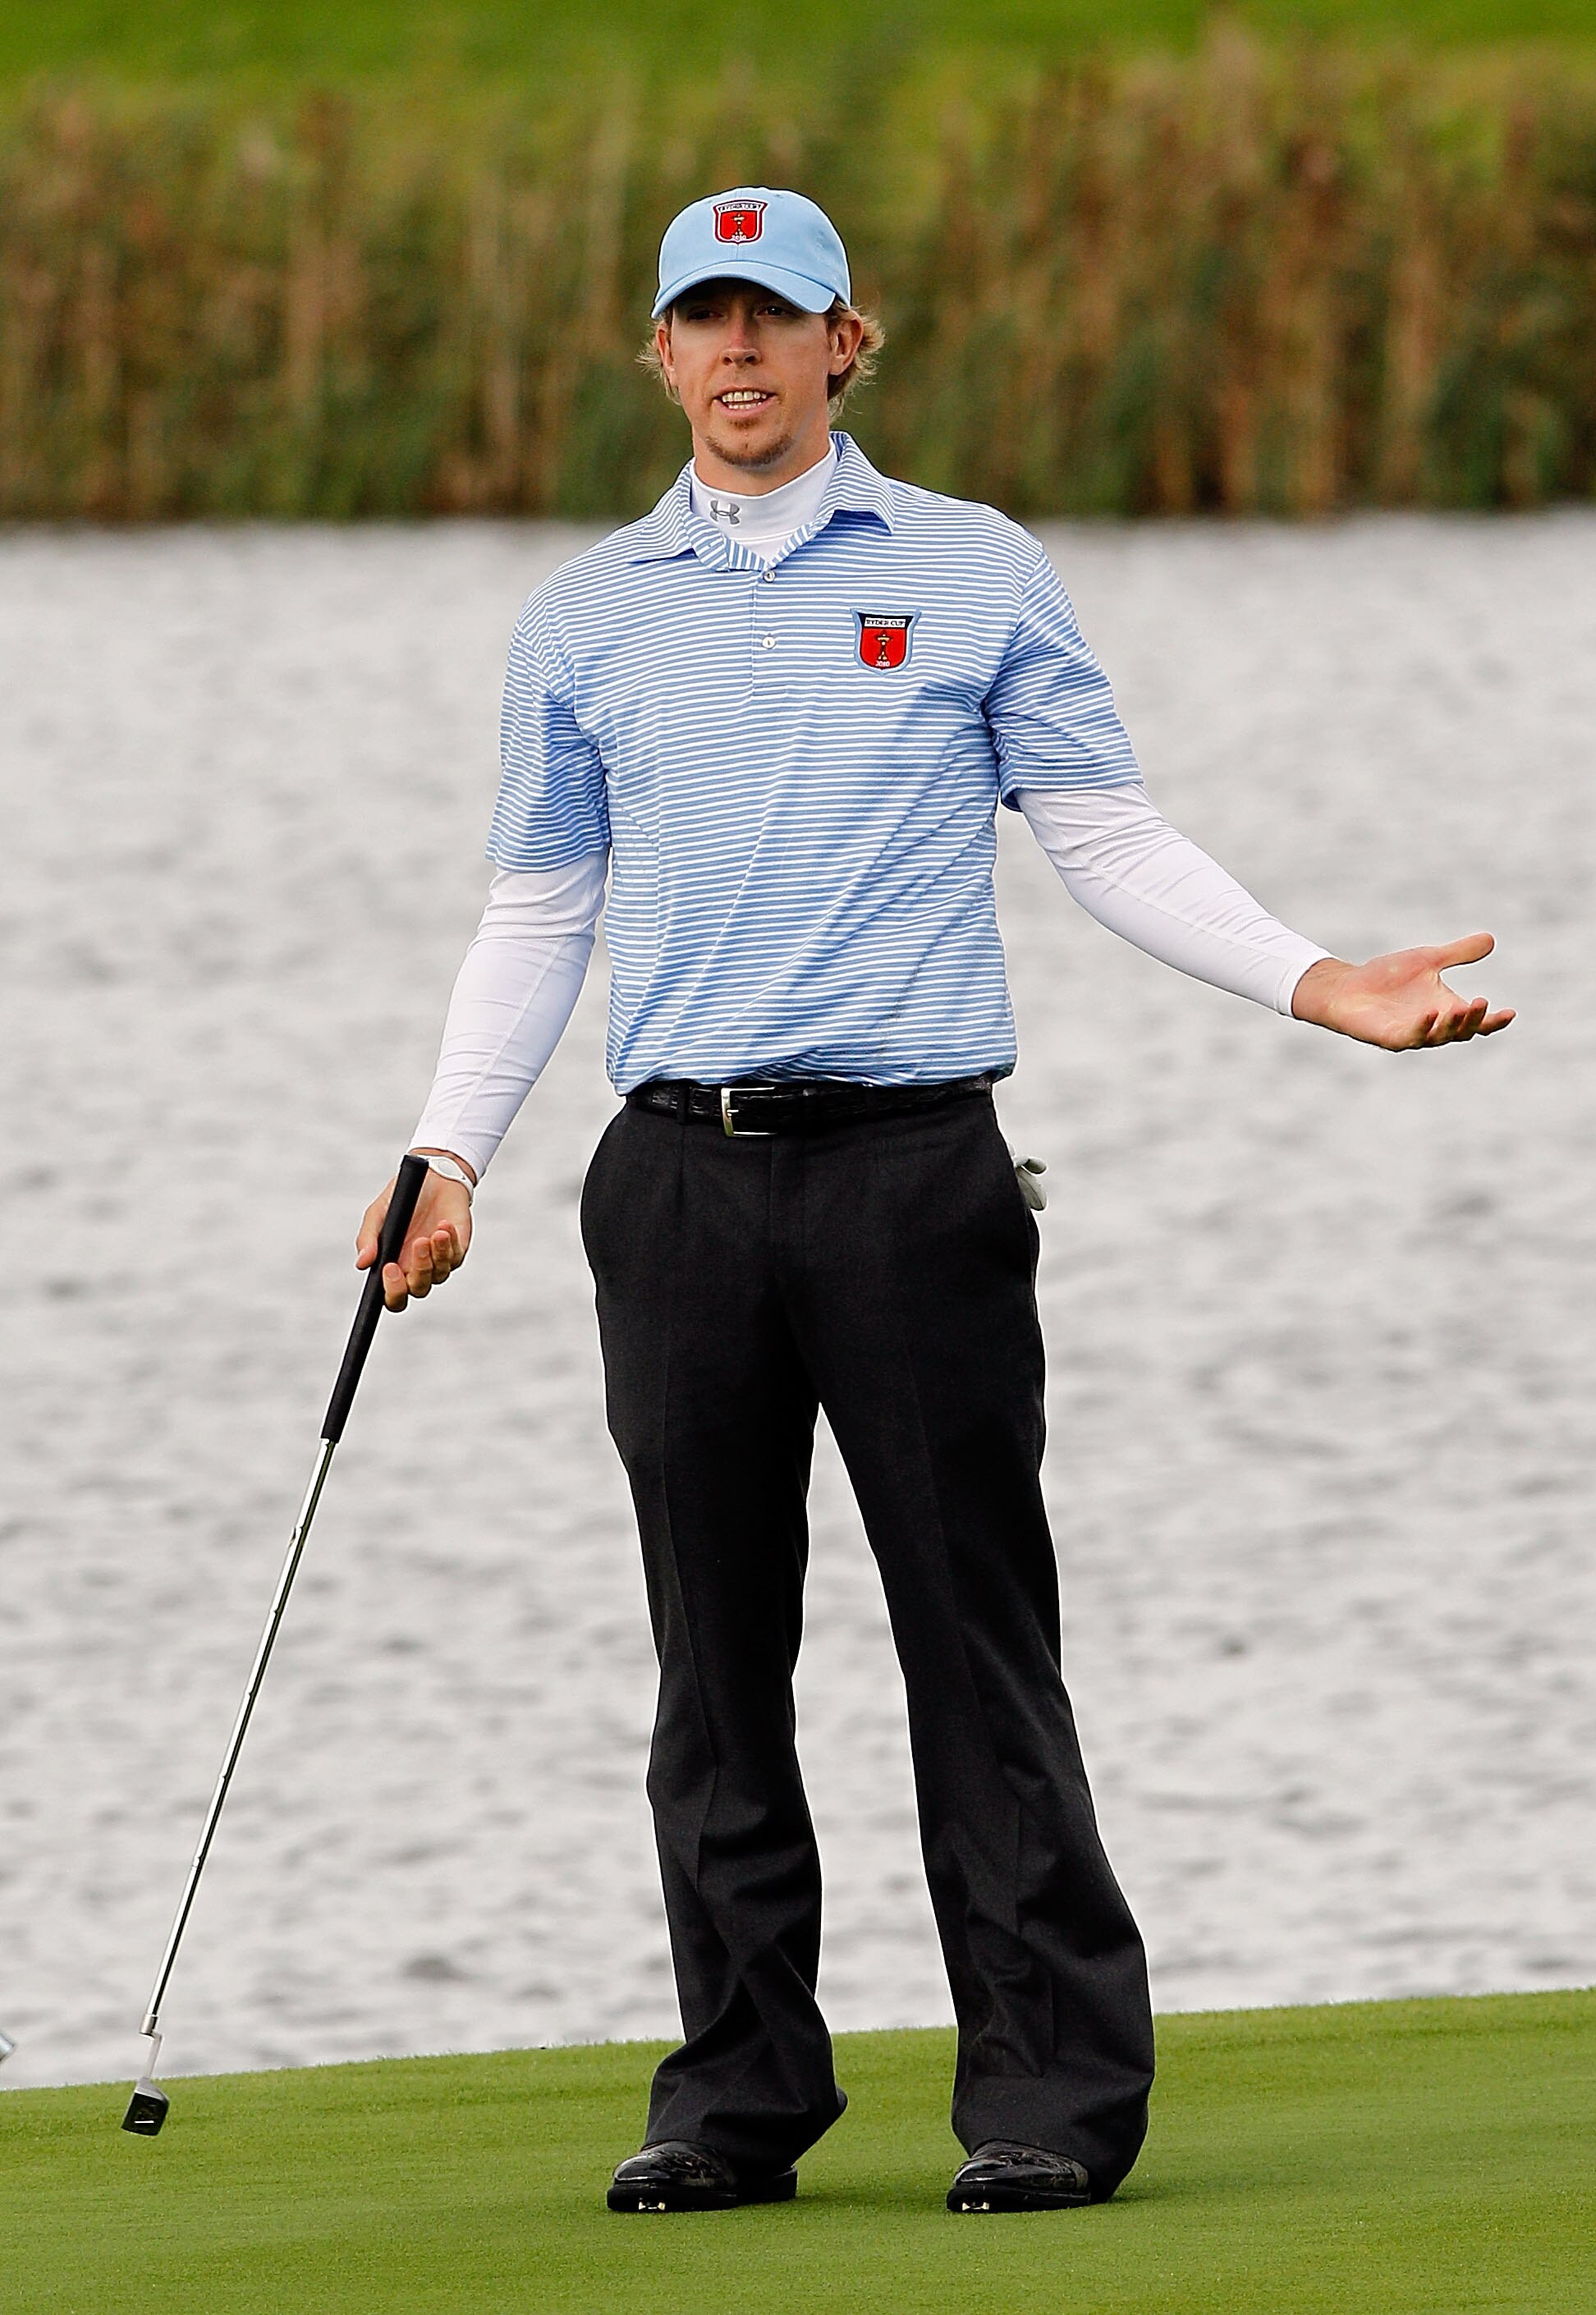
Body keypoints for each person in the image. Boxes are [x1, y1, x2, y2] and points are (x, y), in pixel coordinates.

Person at [357, 188, 1512, 2216]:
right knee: (714, 1662)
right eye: (701, 321)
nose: (738, 354)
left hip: (916, 1180)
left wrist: (1319, 979)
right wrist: (451, 1154)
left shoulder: (974, 573)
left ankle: (1051, 2097)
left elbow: (1106, 834)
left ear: (843, 346)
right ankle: (735, 2101)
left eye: (774, 320)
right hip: (676, 1186)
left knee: (976, 1642)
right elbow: (541, 907)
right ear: (659, 355)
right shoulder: (586, 616)